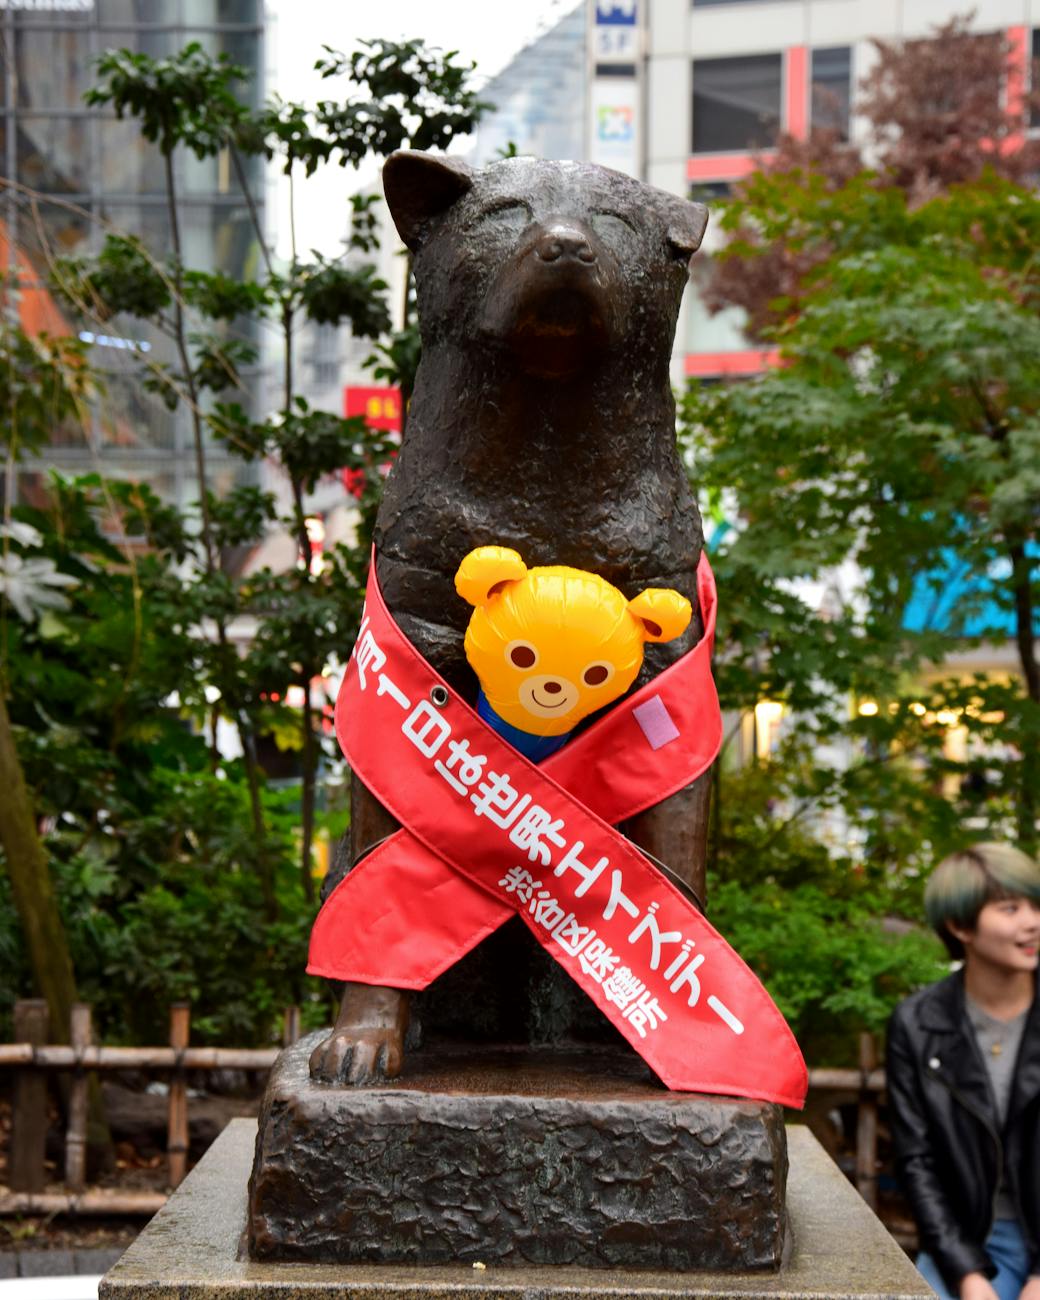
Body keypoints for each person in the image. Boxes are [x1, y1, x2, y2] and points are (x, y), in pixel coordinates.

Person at [887, 843, 1040, 1300]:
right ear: (959, 926)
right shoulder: (917, 1024)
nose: (1032, 921)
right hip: (963, 1240)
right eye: (1010, 908)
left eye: (1036, 904)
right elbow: (917, 1164)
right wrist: (968, 1277)